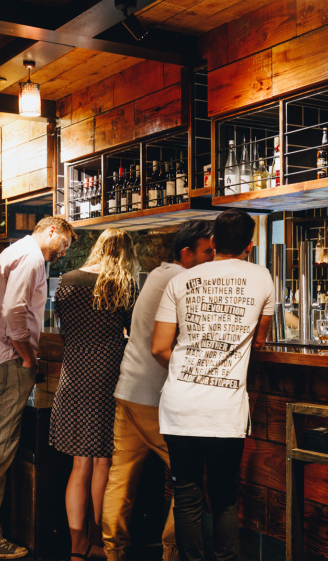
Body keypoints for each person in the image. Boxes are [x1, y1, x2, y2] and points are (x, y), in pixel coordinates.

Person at [152, 209, 273, 561]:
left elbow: (159, 347)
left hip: (179, 405)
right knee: (223, 498)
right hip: (224, 409)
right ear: (249, 246)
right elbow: (260, 340)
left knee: (186, 496)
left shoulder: (180, 281)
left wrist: (187, 371)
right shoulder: (262, 277)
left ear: (215, 241)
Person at [0, 216, 75, 560]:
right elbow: (13, 312)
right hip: (7, 363)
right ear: (52, 230)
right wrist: (27, 357)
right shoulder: (32, 257)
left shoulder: (13, 251)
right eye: (65, 243)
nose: (64, 251)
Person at [102, 220, 214, 561]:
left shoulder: (158, 274)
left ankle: (113, 552)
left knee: (120, 479)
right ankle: (171, 551)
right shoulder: (182, 280)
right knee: (191, 476)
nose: (213, 258)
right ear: (186, 253)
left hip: (128, 390)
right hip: (154, 398)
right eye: (208, 252)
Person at [49, 229, 139, 561]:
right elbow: (134, 332)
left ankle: (77, 546)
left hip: (73, 376)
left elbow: (63, 328)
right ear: (126, 254)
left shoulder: (67, 280)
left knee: (79, 464)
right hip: (107, 376)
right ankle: (99, 540)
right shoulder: (124, 283)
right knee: (103, 462)